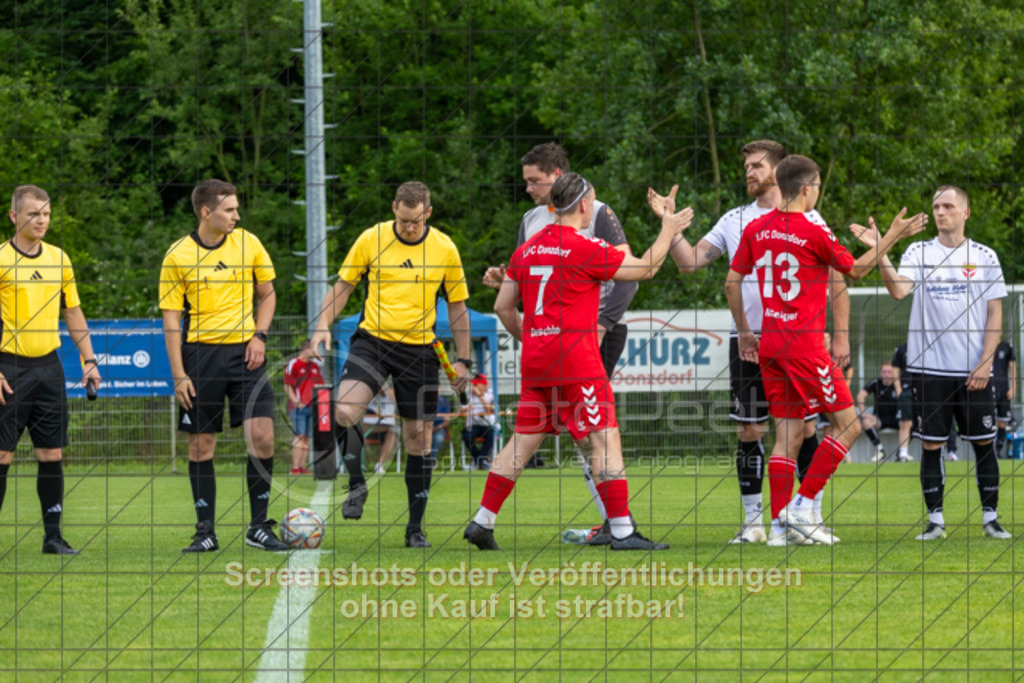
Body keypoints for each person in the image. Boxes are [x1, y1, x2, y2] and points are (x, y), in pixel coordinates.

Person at [463, 172, 693, 551]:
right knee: (605, 438)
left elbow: (502, 306)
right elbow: (644, 270)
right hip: (577, 359)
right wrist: (668, 228)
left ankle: (482, 521)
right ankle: (622, 531)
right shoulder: (584, 246)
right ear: (585, 205)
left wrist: (536, 336)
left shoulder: (527, 249)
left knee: (522, 442)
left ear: (553, 205)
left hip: (537, 360)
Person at [648, 139, 851, 544]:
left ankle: (807, 514)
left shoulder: (813, 219)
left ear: (778, 172)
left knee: (805, 428)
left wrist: (840, 334)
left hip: (797, 339)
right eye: (746, 168)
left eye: (757, 166)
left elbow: (837, 278)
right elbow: (690, 263)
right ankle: (756, 522)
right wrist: (669, 228)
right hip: (748, 340)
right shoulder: (734, 220)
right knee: (749, 430)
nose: (749, 173)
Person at [726, 154, 927, 546]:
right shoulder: (813, 230)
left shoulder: (755, 229)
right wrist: (892, 236)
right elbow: (856, 269)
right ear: (805, 189)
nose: (819, 192)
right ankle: (803, 505)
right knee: (850, 425)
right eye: (817, 186)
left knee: (786, 439)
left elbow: (732, 283)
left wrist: (746, 332)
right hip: (804, 347)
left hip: (769, 346)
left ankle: (780, 530)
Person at [484, 142, 637, 540]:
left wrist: (603, 323)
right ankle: (617, 524)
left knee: (584, 435)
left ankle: (613, 522)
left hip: (588, 333)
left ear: (558, 178)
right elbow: (532, 276)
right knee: (594, 434)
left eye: (535, 181)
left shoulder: (598, 209)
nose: (530, 189)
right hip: (560, 341)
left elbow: (626, 269)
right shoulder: (532, 219)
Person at [310, 181, 470, 549]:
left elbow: (458, 305)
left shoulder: (445, 248)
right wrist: (322, 325)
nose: (408, 228)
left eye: (414, 222)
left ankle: (415, 528)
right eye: (402, 220)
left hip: (420, 350)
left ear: (427, 213)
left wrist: (463, 360)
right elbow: (344, 286)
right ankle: (356, 482)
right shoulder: (372, 238)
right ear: (394, 208)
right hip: (373, 342)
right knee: (345, 410)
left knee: (420, 440)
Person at [875, 184, 1011, 540]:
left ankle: (991, 518)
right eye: (936, 206)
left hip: (974, 371)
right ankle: (935, 521)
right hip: (928, 370)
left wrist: (985, 364)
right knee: (931, 444)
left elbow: (996, 313)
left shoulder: (984, 255)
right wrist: (881, 249)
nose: (940, 212)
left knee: (984, 442)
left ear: (965, 213)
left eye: (948, 206)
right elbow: (898, 290)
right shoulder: (919, 251)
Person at [159, 178, 288, 553]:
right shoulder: (178, 256)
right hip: (200, 356)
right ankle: (205, 532)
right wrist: (179, 375)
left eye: (236, 209)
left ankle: (259, 527)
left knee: (262, 436)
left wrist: (259, 336)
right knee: (201, 446)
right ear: (206, 212)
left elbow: (267, 294)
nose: (237, 215)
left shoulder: (249, 243)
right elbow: (170, 321)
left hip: (246, 355)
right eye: (229, 209)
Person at [0, 185, 102, 555]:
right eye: (33, 214)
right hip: (8, 368)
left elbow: (72, 311)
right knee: (2, 455)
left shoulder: (59, 259)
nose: (41, 220)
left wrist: (89, 360)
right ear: (15, 217)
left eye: (45, 213)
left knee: (52, 454)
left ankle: (53, 538)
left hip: (49, 369)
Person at [283, 339, 325, 474]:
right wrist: (295, 401)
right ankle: (295, 468)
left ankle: (302, 467)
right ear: (307, 349)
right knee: (299, 435)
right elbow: (287, 384)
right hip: (298, 407)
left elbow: (321, 386)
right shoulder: (294, 364)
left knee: (307, 437)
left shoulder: (314, 367)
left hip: (312, 407)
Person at [857, 363, 902, 462]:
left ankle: (902, 453)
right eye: (884, 372)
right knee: (866, 423)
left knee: (910, 424)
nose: (887, 374)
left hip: (897, 418)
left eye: (889, 372)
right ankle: (880, 450)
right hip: (879, 418)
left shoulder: (899, 384)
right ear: (881, 373)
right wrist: (863, 413)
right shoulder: (876, 383)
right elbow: (861, 395)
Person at [462, 374, 497, 470]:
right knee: (466, 435)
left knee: (491, 435)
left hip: (487, 424)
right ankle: (480, 461)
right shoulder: (468, 394)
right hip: (473, 424)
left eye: (477, 384)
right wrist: (466, 409)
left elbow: (489, 409)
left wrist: (480, 395)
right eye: (474, 385)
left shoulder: (491, 394)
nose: (474, 387)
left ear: (484, 384)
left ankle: (477, 462)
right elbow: (460, 410)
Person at [363, 386, 399, 474]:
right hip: (367, 429)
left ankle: (379, 465)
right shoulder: (367, 395)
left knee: (393, 435)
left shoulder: (391, 396)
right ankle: (362, 463)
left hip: (384, 430)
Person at [890, 343, 916, 462]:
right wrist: (899, 389)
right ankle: (903, 454)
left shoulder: (928, 345)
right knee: (906, 423)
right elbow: (895, 369)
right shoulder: (901, 349)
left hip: (926, 389)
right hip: (907, 391)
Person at [992, 340, 1016, 458]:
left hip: (1004, 390)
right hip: (989, 388)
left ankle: (997, 450)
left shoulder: (1007, 347)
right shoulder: (986, 344)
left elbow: (1012, 367)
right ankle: (989, 450)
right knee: (988, 420)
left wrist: (1013, 387)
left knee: (1002, 421)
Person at [429, 395, 452, 463]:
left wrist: (437, 427)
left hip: (439, 428)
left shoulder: (444, 401)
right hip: (425, 428)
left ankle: (431, 461)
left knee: (438, 438)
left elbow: (447, 421)